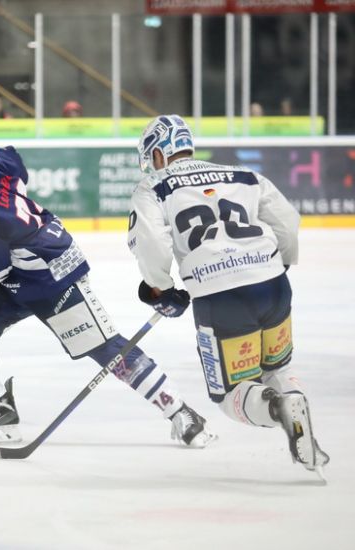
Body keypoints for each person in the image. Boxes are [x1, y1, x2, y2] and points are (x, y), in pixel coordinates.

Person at [0, 130, 214, 447]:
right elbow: (15, 163)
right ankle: (0, 409)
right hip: (20, 268)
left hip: (51, 275)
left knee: (106, 348)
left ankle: (179, 410)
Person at [127, 114, 329, 475]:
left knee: (230, 394)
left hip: (221, 297)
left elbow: (151, 242)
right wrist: (279, 264)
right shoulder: (243, 174)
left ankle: (278, 410)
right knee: (277, 368)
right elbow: (287, 222)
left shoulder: (154, 186)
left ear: (158, 154)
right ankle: (293, 401)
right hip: (273, 286)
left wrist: (162, 288)